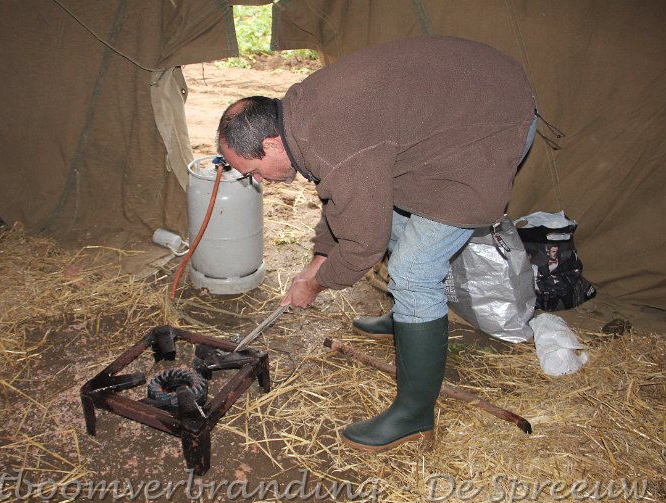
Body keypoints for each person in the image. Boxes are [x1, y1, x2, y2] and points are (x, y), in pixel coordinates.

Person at [216, 36, 537, 452]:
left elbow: (364, 244)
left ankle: (414, 414)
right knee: (397, 219)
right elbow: (344, 199)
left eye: (254, 170)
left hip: (490, 123)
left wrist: (316, 283)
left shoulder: (331, 142)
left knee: (414, 273)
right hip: (463, 102)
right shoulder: (298, 114)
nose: (258, 181)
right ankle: (410, 321)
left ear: (271, 143)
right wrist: (316, 260)